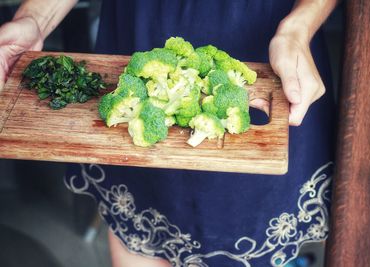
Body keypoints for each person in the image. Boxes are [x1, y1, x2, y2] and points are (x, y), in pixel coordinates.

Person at [0, 0, 337, 266]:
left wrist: (298, 27)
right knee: (138, 225)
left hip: (267, 42)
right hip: (139, 34)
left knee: (244, 229)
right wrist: (35, 19)